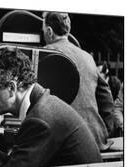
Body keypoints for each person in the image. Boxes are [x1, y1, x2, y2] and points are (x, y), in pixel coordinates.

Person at [42, 11, 117, 150]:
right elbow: (106, 97)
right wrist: (106, 129)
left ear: (49, 31)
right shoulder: (87, 57)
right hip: (96, 139)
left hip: (64, 144)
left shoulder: (44, 55)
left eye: (43, 31)